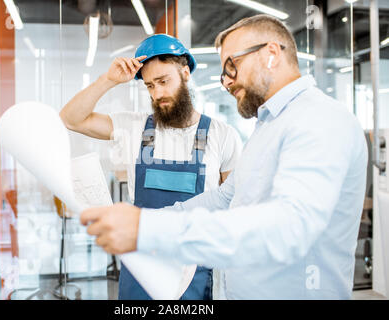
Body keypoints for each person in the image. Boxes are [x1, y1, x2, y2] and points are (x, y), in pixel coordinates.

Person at [79, 14, 368, 299]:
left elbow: (289, 227)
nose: (228, 82)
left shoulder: (317, 119)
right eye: (224, 72)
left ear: (271, 54)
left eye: (233, 64)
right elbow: (224, 198)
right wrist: (142, 219)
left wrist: (150, 229)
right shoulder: (268, 126)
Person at [60, 34, 242, 300]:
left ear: (185, 72)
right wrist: (109, 80)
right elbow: (71, 119)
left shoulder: (222, 135)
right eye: (149, 86)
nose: (157, 94)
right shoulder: (134, 127)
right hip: (141, 267)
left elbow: (233, 209)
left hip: (195, 269)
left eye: (163, 81)